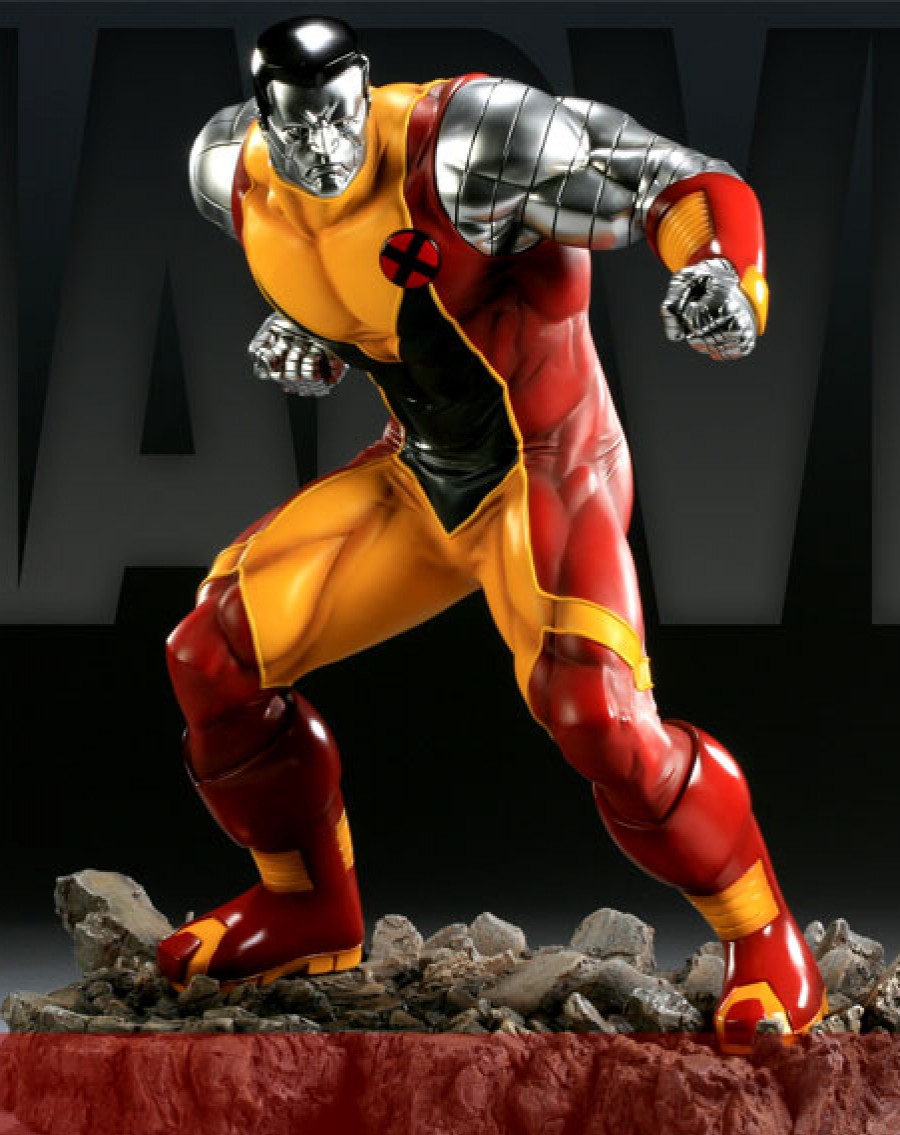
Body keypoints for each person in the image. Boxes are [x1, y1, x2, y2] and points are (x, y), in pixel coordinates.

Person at [156, 14, 826, 1053]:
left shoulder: (469, 143)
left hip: (549, 468)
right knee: (210, 656)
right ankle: (307, 907)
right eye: (295, 129)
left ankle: (764, 936)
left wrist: (722, 272)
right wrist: (305, 336)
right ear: (261, 116)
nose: (320, 147)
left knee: (598, 720)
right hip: (419, 477)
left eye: (336, 119)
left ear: (361, 87)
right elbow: (373, 304)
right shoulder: (228, 175)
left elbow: (678, 181)